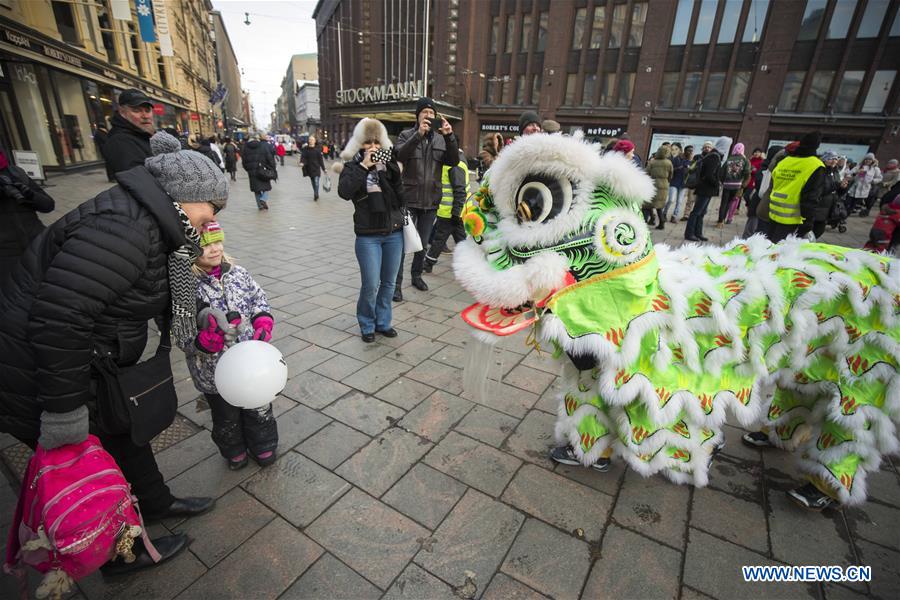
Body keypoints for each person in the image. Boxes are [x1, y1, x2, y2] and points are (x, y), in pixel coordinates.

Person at [0, 131, 221, 575]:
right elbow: (59, 319)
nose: (213, 218)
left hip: (94, 363)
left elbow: (154, 286)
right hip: (42, 371)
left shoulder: (156, 221)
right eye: (211, 207)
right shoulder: (125, 227)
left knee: (124, 435)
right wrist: (64, 411)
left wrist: (196, 313)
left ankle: (156, 503)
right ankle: (120, 553)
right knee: (90, 469)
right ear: (181, 196)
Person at [177, 221, 278, 471]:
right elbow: (179, 330)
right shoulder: (185, 286)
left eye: (218, 241)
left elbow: (258, 299)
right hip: (213, 371)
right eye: (205, 245)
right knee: (225, 416)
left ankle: (263, 443)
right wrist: (200, 342)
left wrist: (262, 320)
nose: (215, 249)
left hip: (250, 364)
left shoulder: (238, 273)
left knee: (258, 406)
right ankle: (233, 449)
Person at [337, 118, 405, 342]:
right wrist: (364, 166)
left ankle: (383, 322)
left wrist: (390, 167)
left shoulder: (389, 164)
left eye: (377, 142)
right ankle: (367, 323)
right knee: (371, 284)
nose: (373, 147)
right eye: (368, 142)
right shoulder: (352, 167)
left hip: (394, 233)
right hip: (368, 236)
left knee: (389, 283)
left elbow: (400, 195)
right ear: (360, 144)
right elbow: (345, 192)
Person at [393, 97, 459, 300]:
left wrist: (450, 137)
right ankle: (396, 285)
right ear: (418, 115)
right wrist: (418, 135)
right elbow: (399, 156)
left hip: (431, 201)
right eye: (425, 112)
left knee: (421, 244)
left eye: (432, 113)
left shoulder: (440, 139)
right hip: (409, 199)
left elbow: (453, 161)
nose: (429, 116)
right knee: (402, 244)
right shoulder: (406, 135)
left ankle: (416, 276)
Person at [0, 147, 55, 282]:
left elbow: (48, 205)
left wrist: (31, 196)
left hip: (39, 244)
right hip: (6, 256)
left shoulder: (15, 173)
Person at [762, 131, 825, 243]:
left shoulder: (784, 161)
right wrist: (807, 224)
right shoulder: (815, 165)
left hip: (773, 213)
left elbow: (773, 183)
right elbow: (811, 197)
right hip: (793, 219)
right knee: (782, 251)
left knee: (769, 247)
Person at [424, 149, 469, 272]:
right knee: (460, 240)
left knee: (440, 239)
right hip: (453, 211)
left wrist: (455, 212)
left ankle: (428, 263)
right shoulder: (452, 163)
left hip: (451, 212)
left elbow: (460, 190)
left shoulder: (454, 165)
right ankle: (468, 263)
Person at [685, 136, 731, 242]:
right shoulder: (714, 156)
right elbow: (709, 174)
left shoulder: (714, 155)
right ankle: (689, 233)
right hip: (705, 188)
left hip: (706, 188)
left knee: (701, 212)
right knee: (697, 212)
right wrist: (717, 183)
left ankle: (698, 233)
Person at [102, 88, 155, 176]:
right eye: (137, 110)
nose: (145, 116)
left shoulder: (146, 135)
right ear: (122, 112)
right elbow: (139, 179)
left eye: (147, 110)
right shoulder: (119, 141)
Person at [742, 145, 783, 239]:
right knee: (752, 230)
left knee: (756, 230)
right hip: (760, 204)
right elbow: (761, 188)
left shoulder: (767, 165)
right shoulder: (767, 168)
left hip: (762, 205)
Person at [716, 142, 751, 227]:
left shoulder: (729, 159)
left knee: (724, 203)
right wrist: (743, 184)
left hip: (727, 184)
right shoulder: (745, 160)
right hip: (737, 185)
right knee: (729, 202)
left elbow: (721, 172)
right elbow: (747, 172)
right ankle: (724, 219)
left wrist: (723, 181)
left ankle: (720, 221)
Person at [812, 151, 843, 239]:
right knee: (813, 231)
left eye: (835, 159)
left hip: (828, 207)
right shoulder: (820, 171)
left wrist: (843, 188)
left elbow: (837, 192)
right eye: (830, 159)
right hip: (818, 206)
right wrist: (837, 185)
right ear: (824, 159)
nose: (834, 161)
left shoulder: (835, 172)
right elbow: (820, 190)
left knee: (819, 231)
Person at [241, 136, 276, 210]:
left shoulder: (246, 148)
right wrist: (271, 167)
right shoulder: (262, 146)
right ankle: (263, 199)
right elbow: (269, 157)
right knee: (266, 187)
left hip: (252, 171)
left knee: (256, 189)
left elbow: (244, 161)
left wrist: (248, 169)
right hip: (262, 170)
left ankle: (260, 206)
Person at [646, 145, 673, 230]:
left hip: (652, 184)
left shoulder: (652, 162)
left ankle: (651, 218)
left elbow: (647, 173)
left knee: (648, 204)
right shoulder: (668, 163)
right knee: (659, 205)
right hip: (664, 184)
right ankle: (661, 222)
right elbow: (671, 175)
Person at [665, 145, 691, 223]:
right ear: (684, 151)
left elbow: (691, 172)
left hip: (683, 184)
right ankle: (664, 213)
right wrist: (678, 168)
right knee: (671, 200)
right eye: (689, 150)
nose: (690, 152)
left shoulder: (690, 161)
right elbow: (670, 169)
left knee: (679, 202)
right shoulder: (676, 159)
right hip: (674, 182)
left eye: (691, 151)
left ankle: (674, 216)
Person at [299, 135, 326, 201]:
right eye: (310, 139)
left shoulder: (318, 149)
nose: (311, 141)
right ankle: (316, 192)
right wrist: (302, 162)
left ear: (315, 141)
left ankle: (316, 194)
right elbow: (303, 157)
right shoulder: (305, 149)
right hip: (309, 168)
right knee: (313, 182)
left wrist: (324, 169)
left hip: (316, 168)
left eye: (312, 140)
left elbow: (320, 160)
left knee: (316, 182)